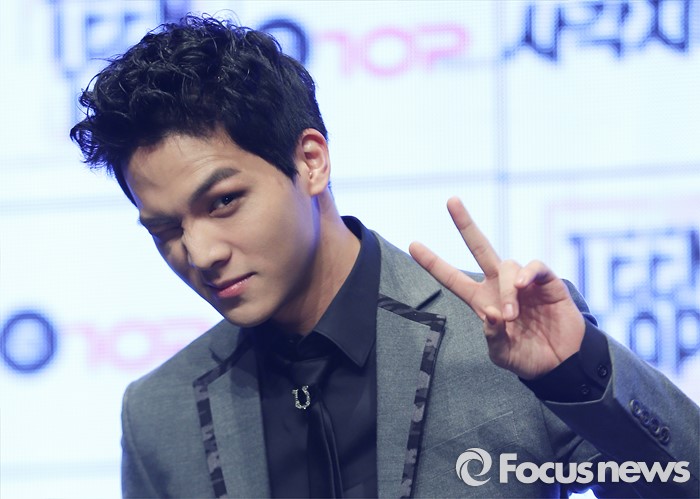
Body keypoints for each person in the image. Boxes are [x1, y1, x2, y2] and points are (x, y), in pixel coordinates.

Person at [70, 15, 698, 498]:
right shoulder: (159, 414)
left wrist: (573, 373)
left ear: (310, 162)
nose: (200, 253)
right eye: (165, 230)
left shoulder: (501, 341)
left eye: (225, 201)